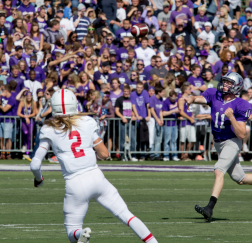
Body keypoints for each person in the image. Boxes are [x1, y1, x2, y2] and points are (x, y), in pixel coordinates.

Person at [30, 89, 158, 243]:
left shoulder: (48, 129)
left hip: (75, 182)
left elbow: (35, 164)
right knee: (126, 215)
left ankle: (80, 234)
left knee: (72, 230)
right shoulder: (87, 122)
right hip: (97, 177)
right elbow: (104, 154)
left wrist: (39, 179)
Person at [186, 72, 252, 221]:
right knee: (240, 178)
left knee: (218, 170)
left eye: (229, 83)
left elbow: (240, 134)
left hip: (232, 141)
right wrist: (191, 98)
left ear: (237, 86)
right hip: (219, 142)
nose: (225, 85)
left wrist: (232, 117)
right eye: (224, 81)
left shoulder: (242, 104)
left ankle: (210, 207)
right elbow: (200, 98)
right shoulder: (215, 94)